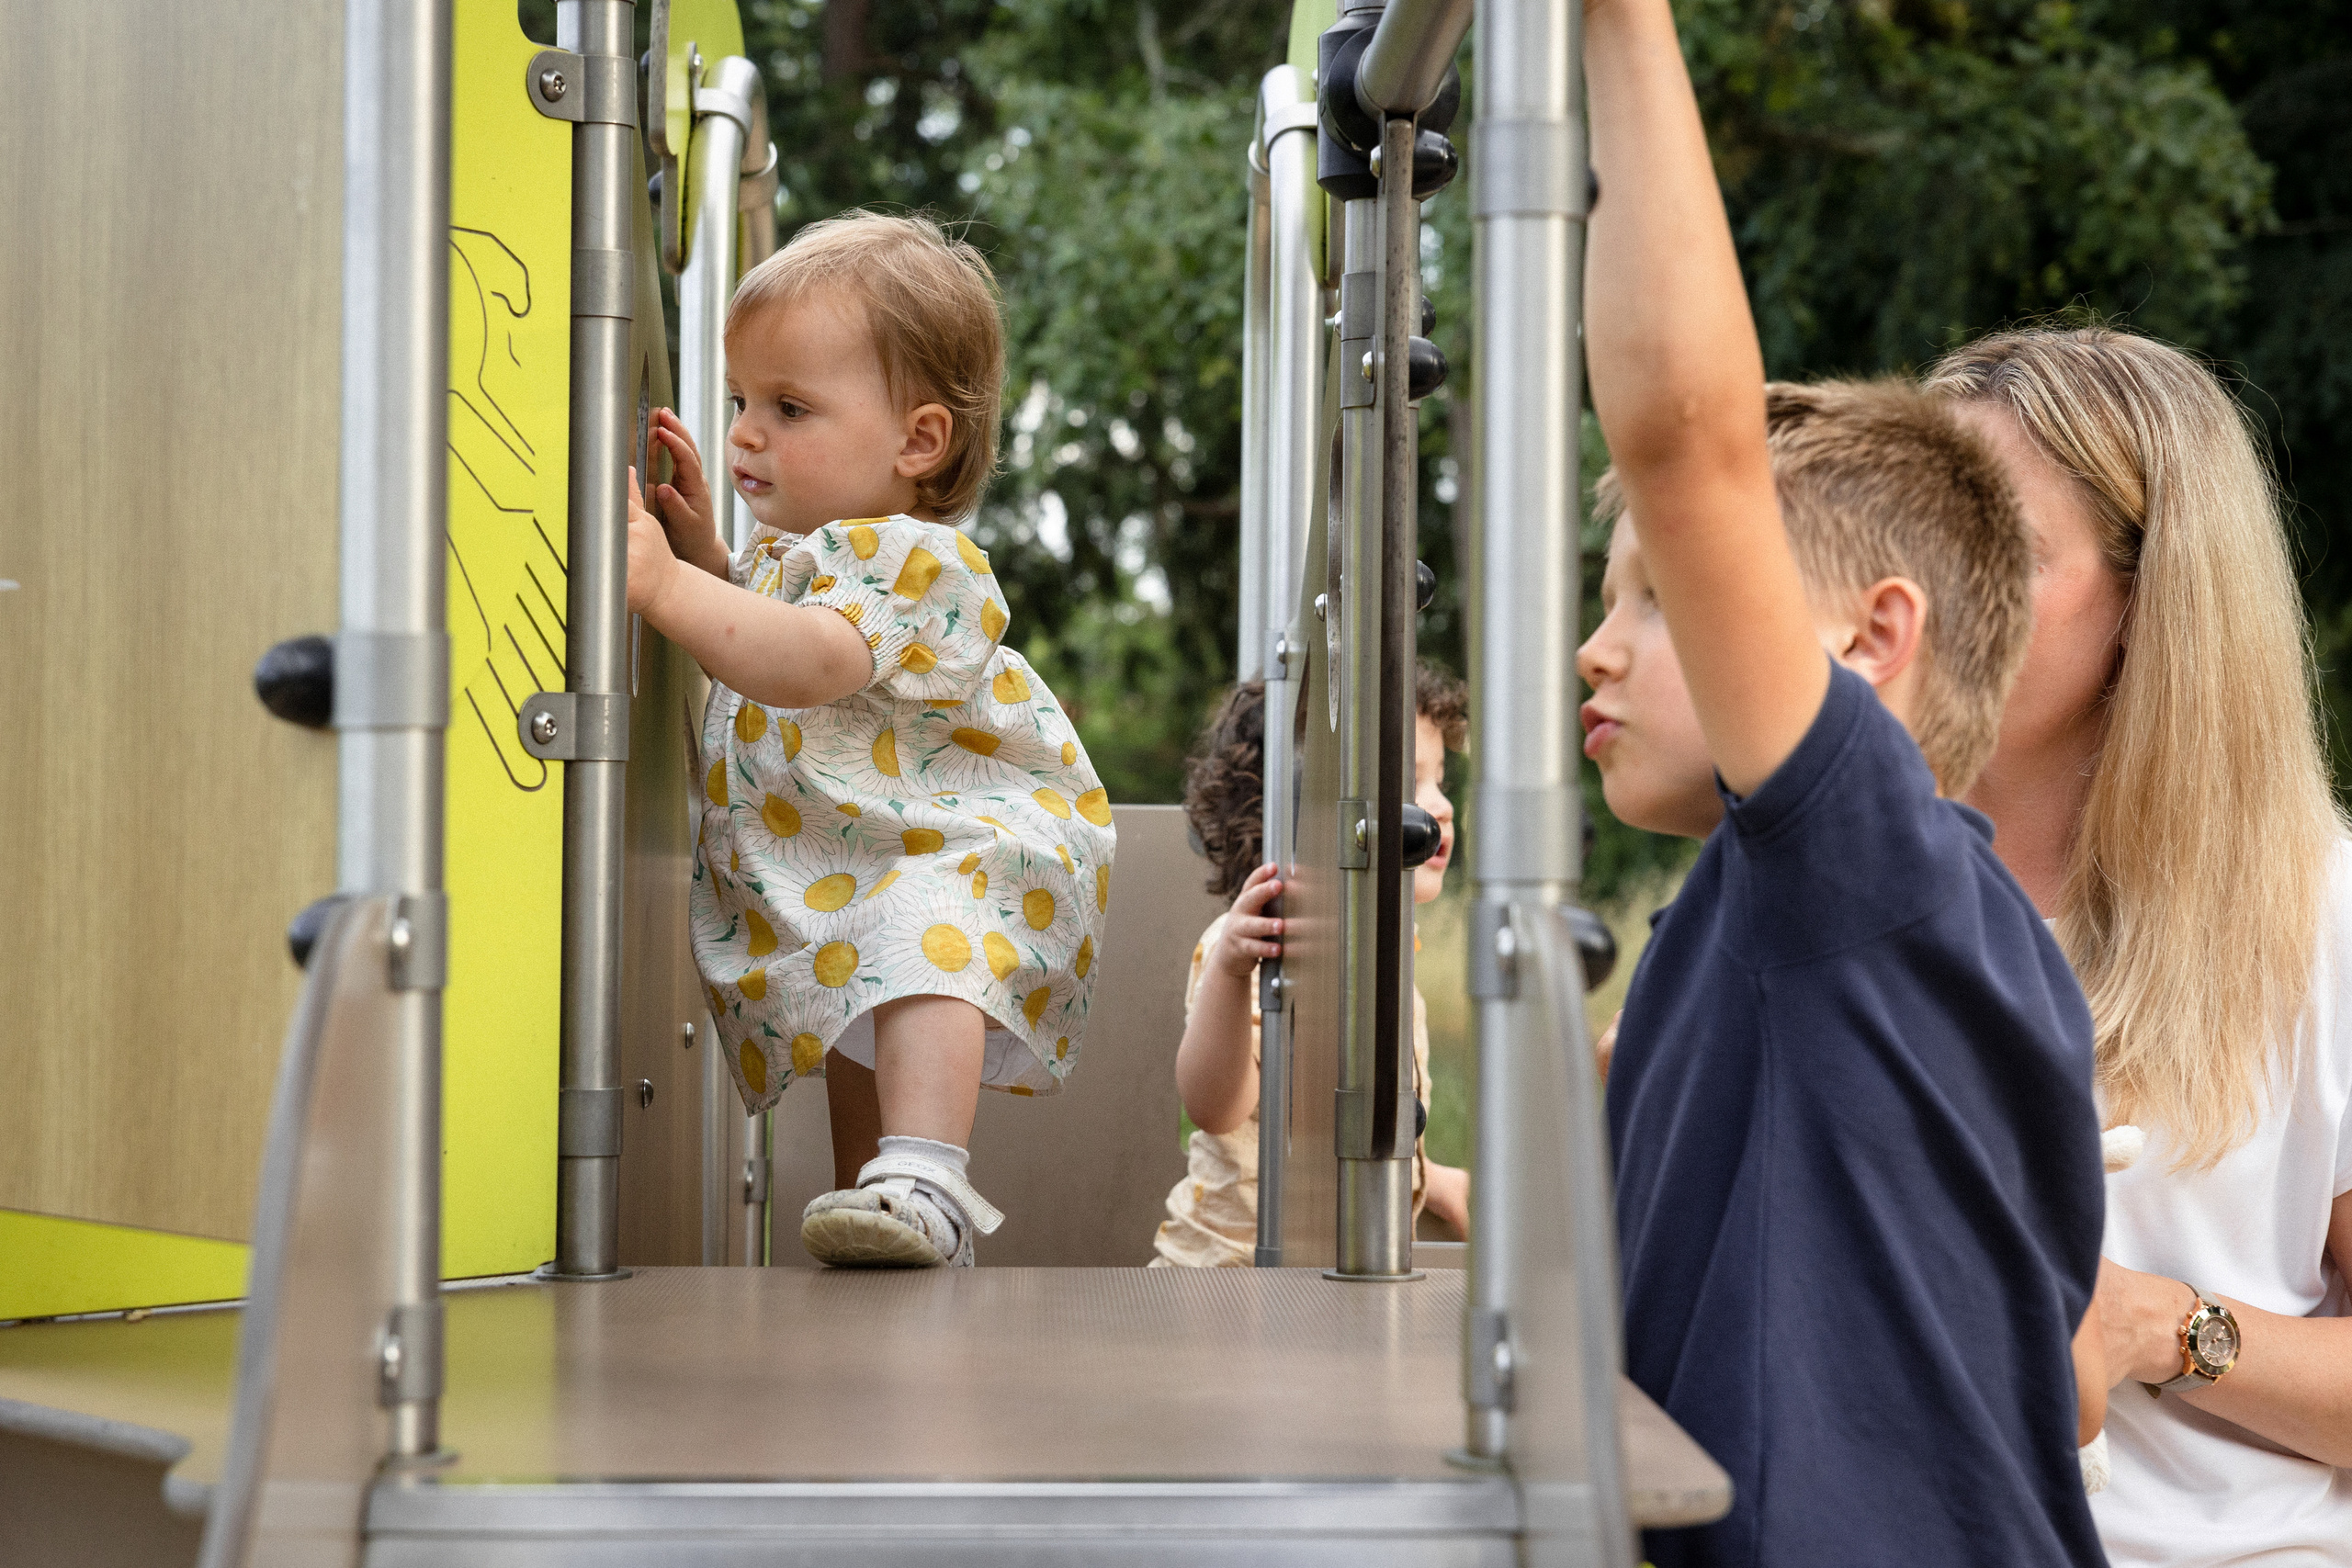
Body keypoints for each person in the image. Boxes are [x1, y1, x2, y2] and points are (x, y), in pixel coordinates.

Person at [1573, 3, 2109, 1562]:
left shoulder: (1874, 869)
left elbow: (1687, 442)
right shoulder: (1768, 917)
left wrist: (1614, 21)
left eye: (1656, 597)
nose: (1594, 653)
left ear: (1876, 639)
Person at [1924, 326, 2352, 1565]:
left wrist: (2158, 1327)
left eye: (1995, 537)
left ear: (2151, 598)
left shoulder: (2318, 907)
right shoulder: (1843, 890)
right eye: (1915, 525)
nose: (1929, 581)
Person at [625, 210, 1115, 1269]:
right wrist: (704, 552)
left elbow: (804, 662)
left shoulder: (913, 560)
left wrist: (665, 584)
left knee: (914, 943)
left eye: (791, 408)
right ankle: (885, 1203)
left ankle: (927, 1175)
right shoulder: (797, 559)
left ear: (918, 440)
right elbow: (755, 629)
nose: (749, 432)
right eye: (743, 401)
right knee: (867, 997)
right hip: (863, 851)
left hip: (959, 846)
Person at [1150, 669, 1471, 1267]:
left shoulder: (1390, 948)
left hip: (1336, 1268)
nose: (1441, 807)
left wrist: (1432, 1178)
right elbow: (1215, 1106)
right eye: (1409, 781)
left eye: (1439, 780)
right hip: (1228, 1271)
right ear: (1310, 808)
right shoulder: (1262, 941)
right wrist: (1228, 972)